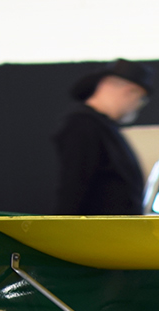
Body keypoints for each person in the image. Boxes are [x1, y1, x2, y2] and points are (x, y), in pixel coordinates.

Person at [53, 59, 151, 215]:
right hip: (96, 233)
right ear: (128, 91)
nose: (137, 105)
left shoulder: (103, 127)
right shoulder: (83, 125)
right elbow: (74, 186)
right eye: (140, 98)